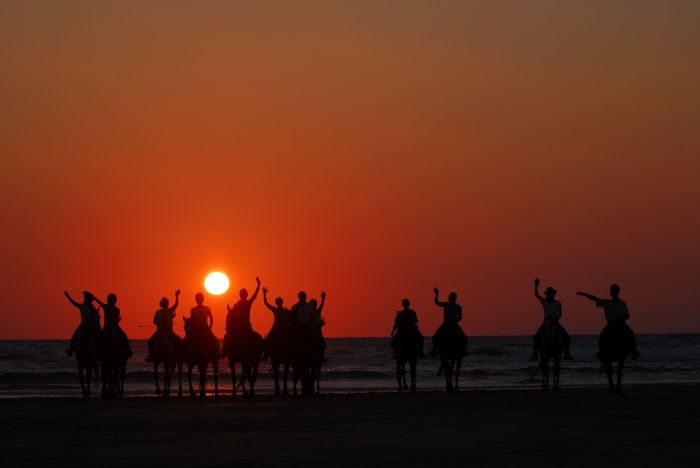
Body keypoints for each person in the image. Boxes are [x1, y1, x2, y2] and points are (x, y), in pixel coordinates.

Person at [577, 284, 640, 360]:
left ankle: (634, 351)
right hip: (610, 324)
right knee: (602, 336)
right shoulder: (606, 302)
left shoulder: (622, 303)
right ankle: (601, 352)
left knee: (630, 333)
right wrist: (584, 294)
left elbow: (627, 315)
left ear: (618, 292)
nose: (612, 292)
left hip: (621, 324)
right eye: (612, 291)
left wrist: (622, 320)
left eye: (614, 291)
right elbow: (595, 298)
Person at [529, 279, 574, 361]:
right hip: (546, 322)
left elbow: (560, 314)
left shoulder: (558, 303)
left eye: (550, 294)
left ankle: (567, 354)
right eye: (547, 294)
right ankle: (534, 355)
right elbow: (536, 294)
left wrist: (557, 318)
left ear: (553, 294)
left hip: (556, 322)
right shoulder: (544, 301)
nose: (548, 295)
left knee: (566, 336)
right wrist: (536, 286)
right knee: (537, 336)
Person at [222, 277, 261, 357]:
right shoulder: (237, 304)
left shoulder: (248, 303)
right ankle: (223, 352)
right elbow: (232, 314)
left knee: (256, 337)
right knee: (227, 336)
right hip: (237, 326)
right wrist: (229, 310)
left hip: (246, 325)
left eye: (244, 294)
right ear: (240, 295)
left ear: (246, 295)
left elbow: (255, 295)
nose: (243, 295)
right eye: (242, 294)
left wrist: (259, 285)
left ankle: (259, 352)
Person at [92, 292, 133, 357]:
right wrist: (93, 297)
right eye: (109, 300)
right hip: (107, 327)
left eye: (112, 300)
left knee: (124, 336)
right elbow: (99, 302)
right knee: (100, 339)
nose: (110, 301)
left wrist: (117, 321)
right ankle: (98, 354)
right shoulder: (105, 307)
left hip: (115, 326)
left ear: (115, 301)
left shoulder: (117, 309)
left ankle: (128, 351)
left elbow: (115, 319)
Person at [428, 287, 467, 356]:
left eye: (451, 297)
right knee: (435, 336)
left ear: (454, 298)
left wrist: (455, 321)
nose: (449, 298)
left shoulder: (458, 307)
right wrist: (437, 294)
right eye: (449, 297)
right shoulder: (446, 304)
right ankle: (434, 350)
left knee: (464, 338)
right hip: (446, 323)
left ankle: (463, 350)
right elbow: (436, 302)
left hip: (454, 323)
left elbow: (460, 317)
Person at [145, 289, 180, 362]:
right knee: (150, 341)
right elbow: (154, 321)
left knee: (178, 340)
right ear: (162, 304)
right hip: (160, 331)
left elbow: (176, 304)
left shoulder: (170, 310)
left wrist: (176, 296)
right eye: (164, 303)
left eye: (166, 303)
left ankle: (179, 355)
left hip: (169, 331)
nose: (166, 304)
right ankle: (151, 356)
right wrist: (160, 323)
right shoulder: (158, 312)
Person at [64, 291, 101, 357]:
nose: (90, 301)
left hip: (91, 326)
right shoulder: (82, 306)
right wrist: (68, 297)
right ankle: (70, 351)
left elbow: (96, 317)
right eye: (89, 299)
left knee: (98, 337)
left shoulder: (92, 308)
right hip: (83, 326)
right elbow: (74, 303)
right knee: (74, 336)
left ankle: (100, 353)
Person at [261, 286, 290, 361]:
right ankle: (265, 356)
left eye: (280, 302)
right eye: (278, 302)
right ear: (276, 303)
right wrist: (264, 294)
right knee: (266, 340)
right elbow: (266, 303)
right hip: (275, 328)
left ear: (282, 302)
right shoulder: (275, 309)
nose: (279, 303)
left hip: (284, 329)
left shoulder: (286, 310)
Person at [309, 292, 327, 359]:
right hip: (310, 330)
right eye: (312, 304)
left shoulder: (318, 311)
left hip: (317, 331)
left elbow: (322, 305)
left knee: (324, 345)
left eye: (314, 304)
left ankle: (321, 357)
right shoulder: (309, 312)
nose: (314, 305)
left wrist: (323, 299)